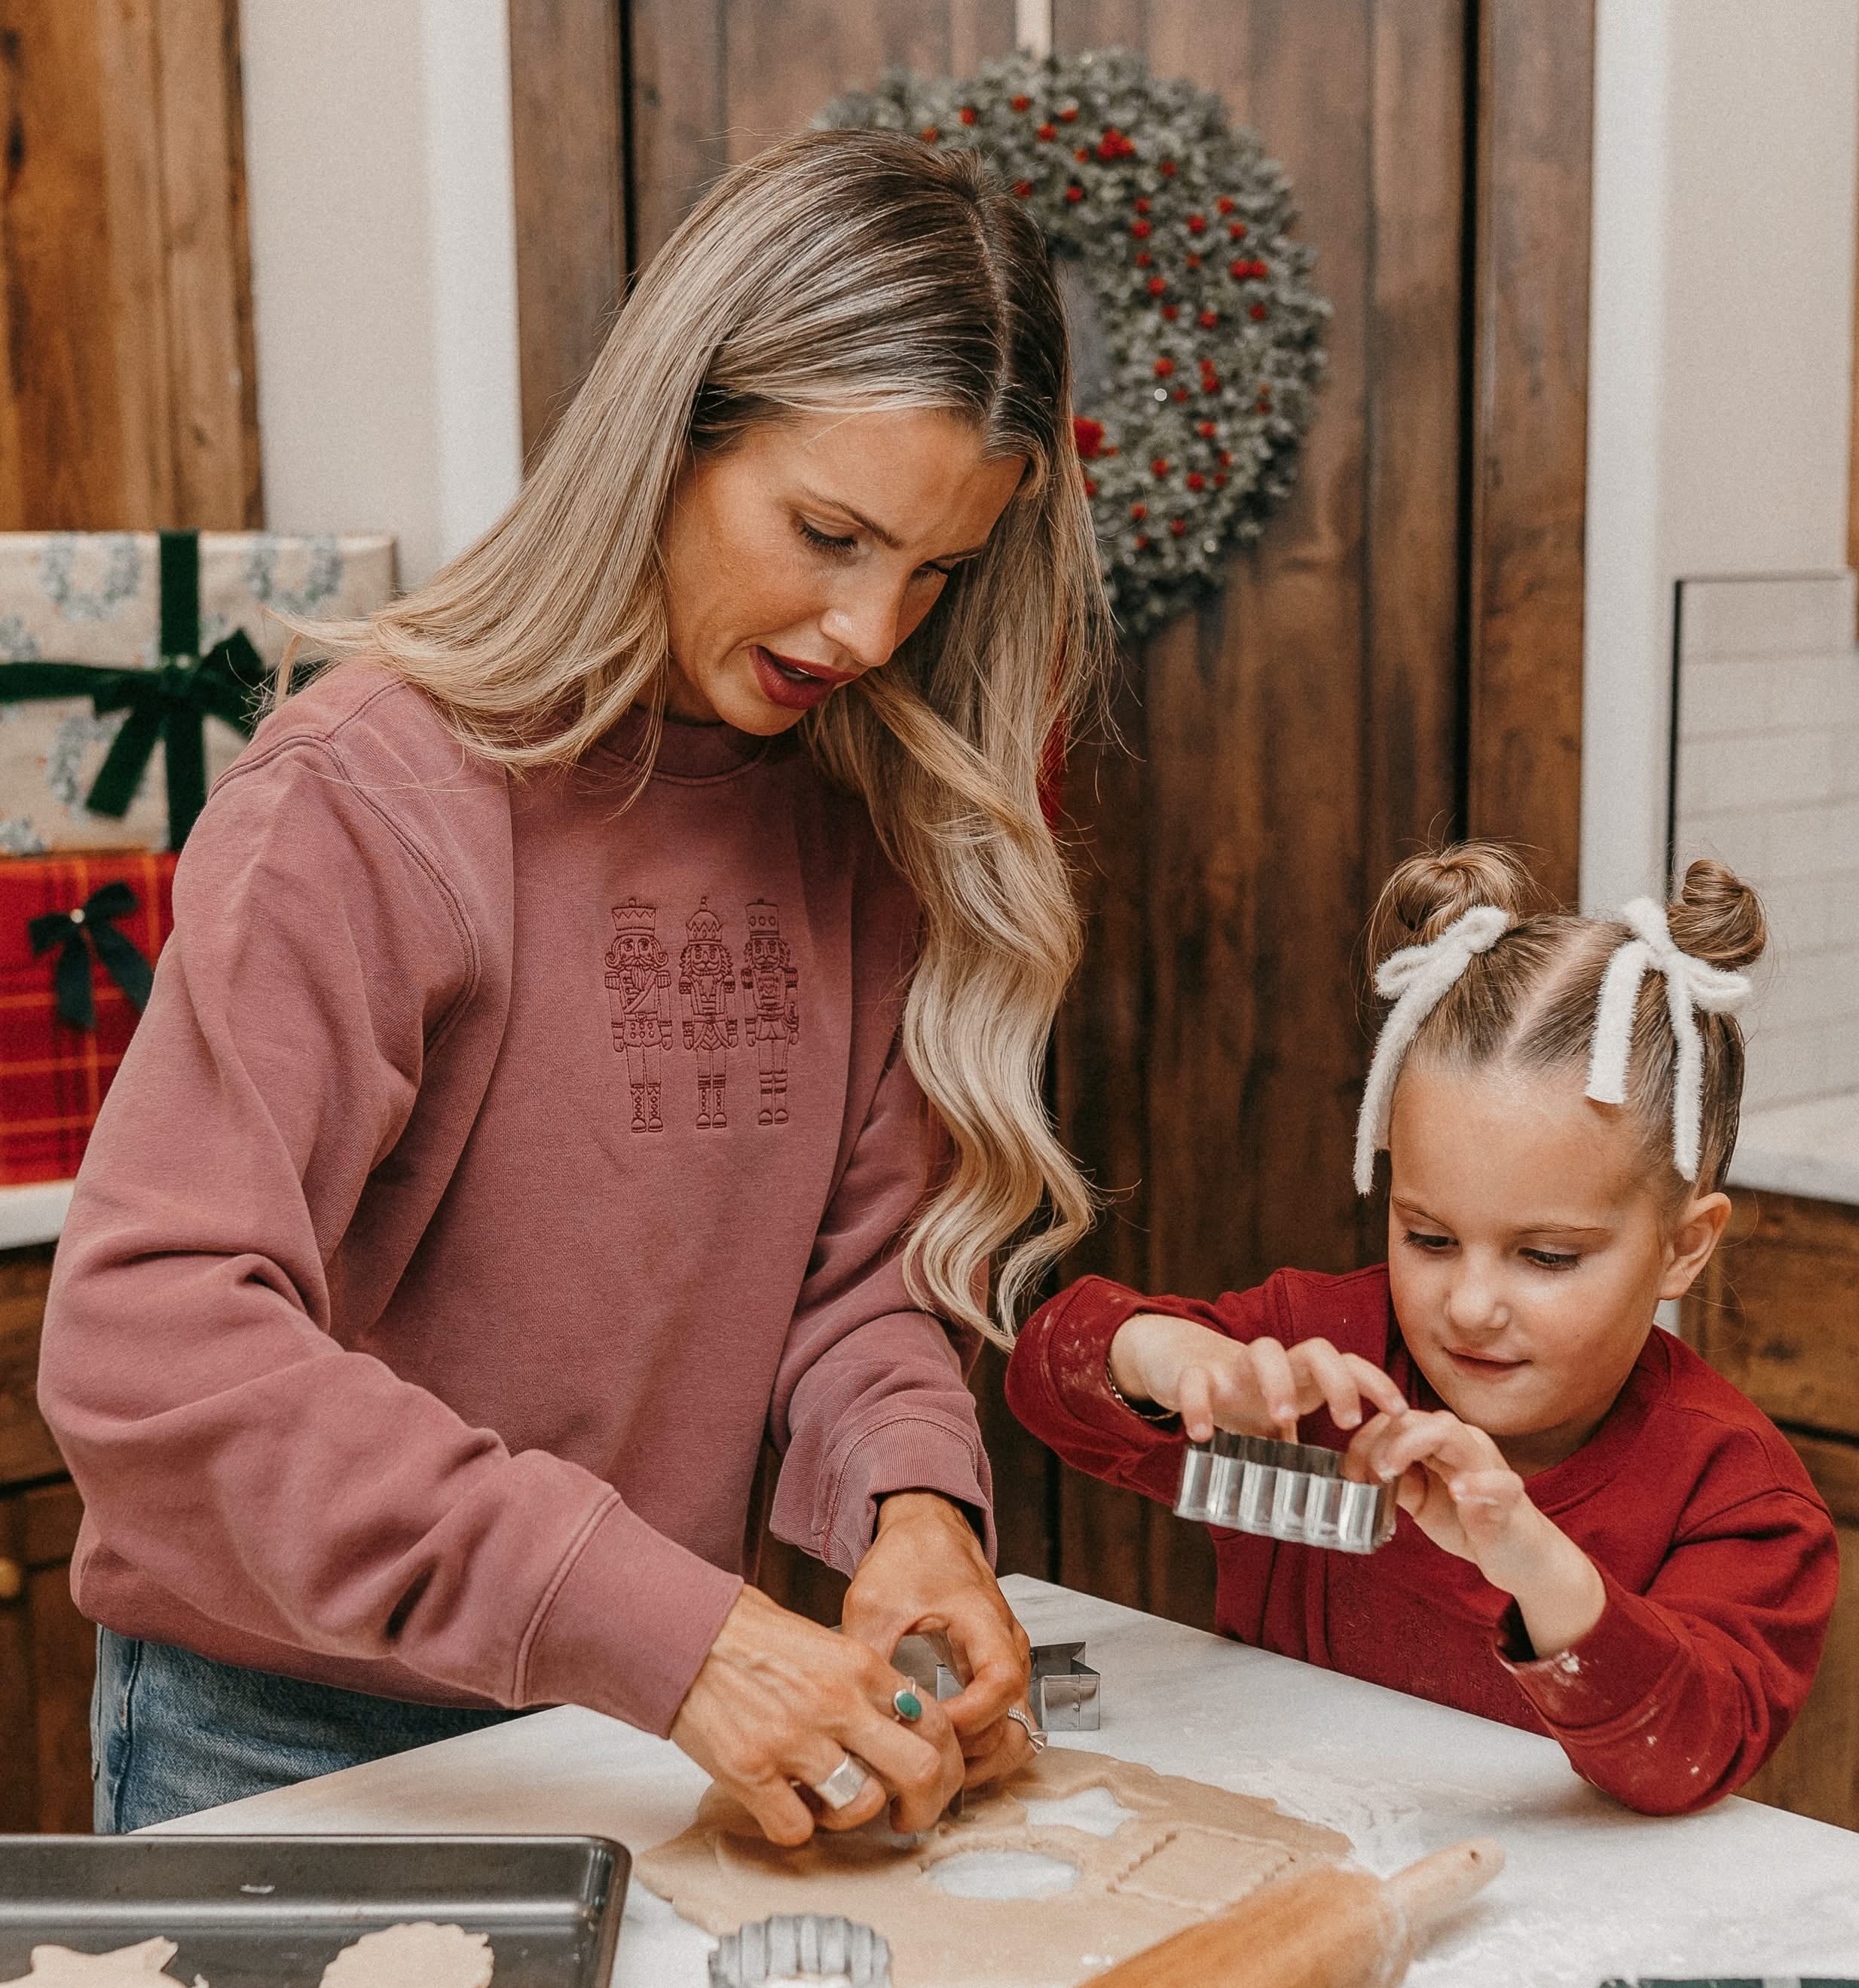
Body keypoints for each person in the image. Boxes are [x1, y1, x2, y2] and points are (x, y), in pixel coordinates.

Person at [39, 128, 1111, 1839]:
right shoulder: (372, 795)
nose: (867, 630)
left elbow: (845, 1285)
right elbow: (149, 1343)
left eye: (935, 569)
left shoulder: (845, 820)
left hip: (656, 1717)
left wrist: (917, 1507)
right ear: (665, 437)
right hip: (296, 1739)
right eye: (825, 530)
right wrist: (671, 1631)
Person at [1007, 842, 1838, 1815]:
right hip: (1274, 1861)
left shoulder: (1741, 1498)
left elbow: (1686, 1752)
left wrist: (1529, 1553)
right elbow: (1043, 1375)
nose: (1470, 1303)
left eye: (1547, 1256)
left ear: (1685, 1246)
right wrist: (1167, 1357)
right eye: (1429, 1235)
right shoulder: (1319, 1369)